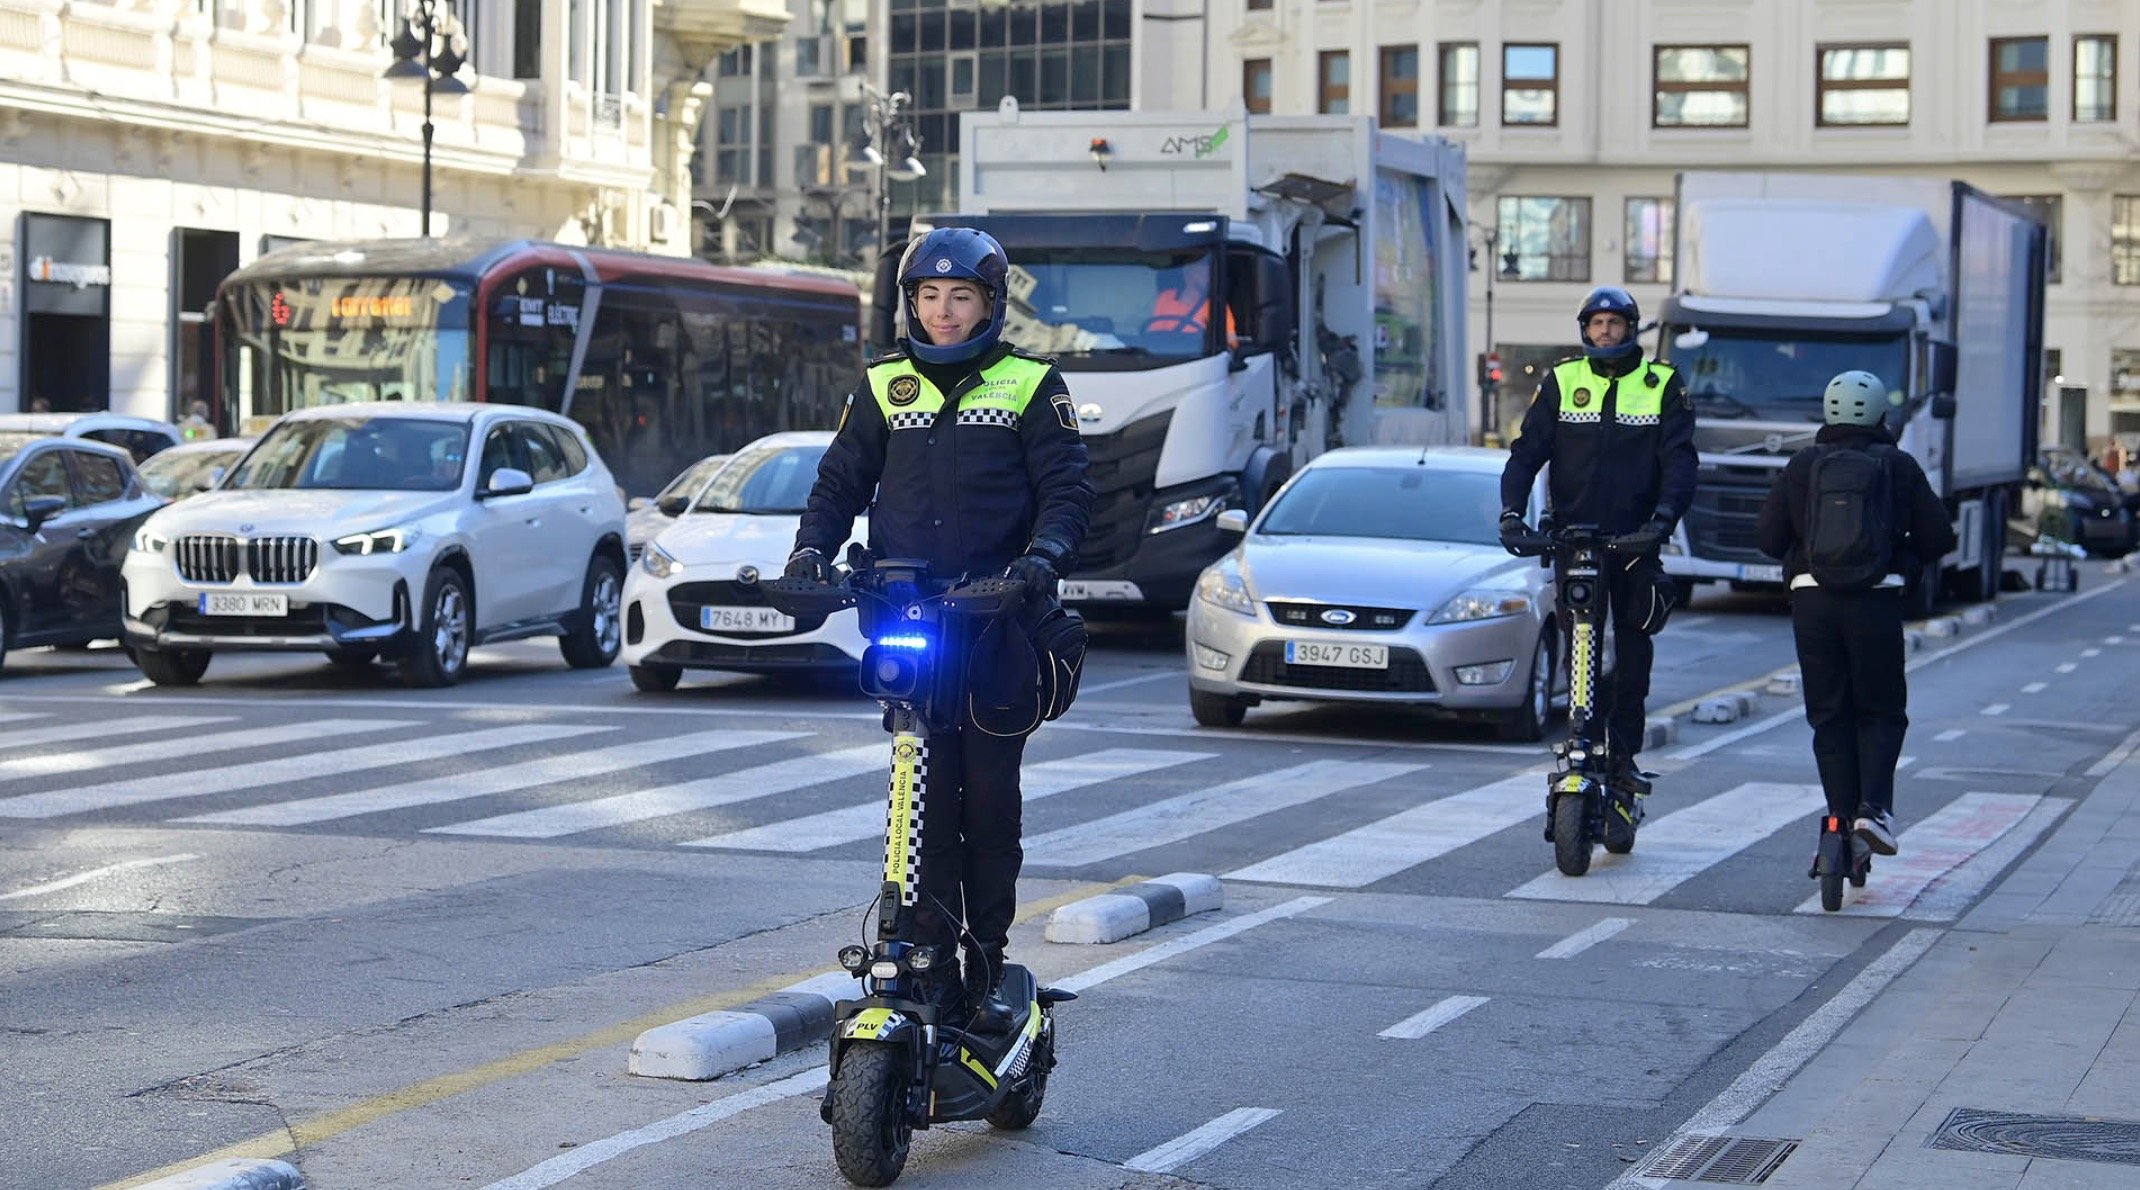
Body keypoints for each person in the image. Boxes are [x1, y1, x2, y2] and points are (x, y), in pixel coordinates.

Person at [786, 226, 1093, 1021]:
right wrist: (809, 553)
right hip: (909, 618)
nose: (944, 313)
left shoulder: (1031, 383)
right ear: (911, 304)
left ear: (989, 304)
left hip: (996, 627)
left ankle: (988, 962)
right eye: (929, 296)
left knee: (987, 804)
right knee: (923, 799)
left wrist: (1039, 561)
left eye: (961, 297)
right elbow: (838, 484)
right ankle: (925, 958)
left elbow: (1068, 493)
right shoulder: (885, 384)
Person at [1498, 286, 1697, 785]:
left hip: (1634, 543)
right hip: (1574, 541)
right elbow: (1526, 455)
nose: (1604, 331)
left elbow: (1679, 461)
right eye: (1596, 323)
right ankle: (1582, 743)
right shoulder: (1564, 380)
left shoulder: (1662, 383)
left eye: (1614, 323)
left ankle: (1624, 757)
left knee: (1632, 654)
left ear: (1631, 328)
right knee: (1579, 645)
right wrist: (1510, 515)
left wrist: (1662, 521)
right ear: (1584, 329)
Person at [1755, 370, 1955, 855]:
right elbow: (1939, 538)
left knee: (1829, 715)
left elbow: (1767, 539)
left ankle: (1837, 819)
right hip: (1876, 601)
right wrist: (1901, 556)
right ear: (1882, 414)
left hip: (1812, 601)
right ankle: (1873, 811)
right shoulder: (1899, 466)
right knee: (1881, 711)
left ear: (1828, 412)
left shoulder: (1802, 465)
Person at [1145, 261, 1238, 344]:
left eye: (1207, 274)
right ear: (1187, 273)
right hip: (1163, 356)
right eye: (1199, 273)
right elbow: (1152, 335)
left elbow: (1230, 343)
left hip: (1199, 360)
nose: (1205, 278)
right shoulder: (1165, 297)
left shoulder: (1217, 305)